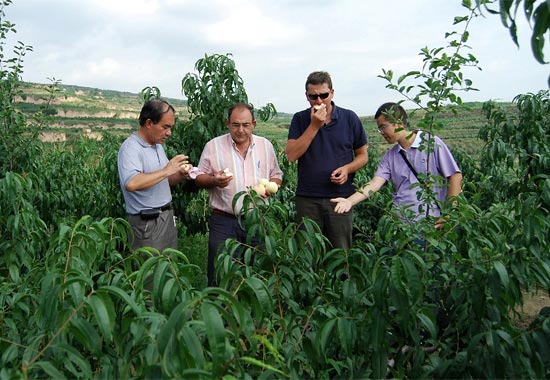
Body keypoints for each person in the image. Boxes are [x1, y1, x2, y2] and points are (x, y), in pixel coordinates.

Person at [331, 102, 462, 226]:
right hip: (401, 226)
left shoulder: (430, 143)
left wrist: (447, 215)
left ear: (398, 123)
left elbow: (455, 176)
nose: (381, 132)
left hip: (430, 225)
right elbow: (374, 183)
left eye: (383, 126)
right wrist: (349, 201)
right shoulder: (390, 156)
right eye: (379, 129)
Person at [194, 103, 283, 286]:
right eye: (235, 125)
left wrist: (271, 187)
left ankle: (253, 311)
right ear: (227, 123)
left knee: (257, 271)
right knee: (220, 270)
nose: (240, 130)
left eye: (246, 125)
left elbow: (276, 175)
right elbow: (198, 177)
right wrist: (213, 180)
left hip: (257, 219)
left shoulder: (265, 146)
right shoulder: (213, 146)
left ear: (254, 124)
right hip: (224, 220)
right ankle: (218, 308)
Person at [286, 71, 368, 249]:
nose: (319, 101)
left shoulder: (349, 118)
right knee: (307, 253)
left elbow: (363, 156)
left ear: (332, 93)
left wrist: (347, 169)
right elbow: (291, 155)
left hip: (340, 198)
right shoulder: (300, 119)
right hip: (307, 199)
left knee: (340, 252)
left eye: (324, 95)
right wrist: (314, 126)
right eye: (313, 97)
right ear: (306, 96)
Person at [117, 98, 190, 252]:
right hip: (147, 224)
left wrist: (182, 175)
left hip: (166, 219)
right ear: (149, 123)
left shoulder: (157, 146)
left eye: (171, 128)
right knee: (149, 273)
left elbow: (166, 180)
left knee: (168, 270)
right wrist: (167, 170)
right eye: (165, 127)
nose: (169, 133)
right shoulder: (131, 148)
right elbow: (131, 183)